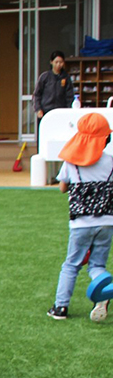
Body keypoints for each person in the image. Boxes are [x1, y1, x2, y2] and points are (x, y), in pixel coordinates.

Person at [47, 112, 113, 322]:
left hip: (80, 223)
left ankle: (60, 308)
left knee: (71, 264)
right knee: (97, 265)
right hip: (107, 222)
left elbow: (62, 187)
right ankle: (102, 293)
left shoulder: (71, 164)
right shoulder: (111, 162)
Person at [33, 50, 73, 142]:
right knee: (44, 136)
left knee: (60, 136)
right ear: (51, 62)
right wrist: (38, 109)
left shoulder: (66, 78)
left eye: (61, 62)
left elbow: (69, 96)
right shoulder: (45, 77)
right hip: (45, 111)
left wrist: (68, 110)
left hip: (60, 112)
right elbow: (37, 94)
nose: (58, 64)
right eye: (56, 62)